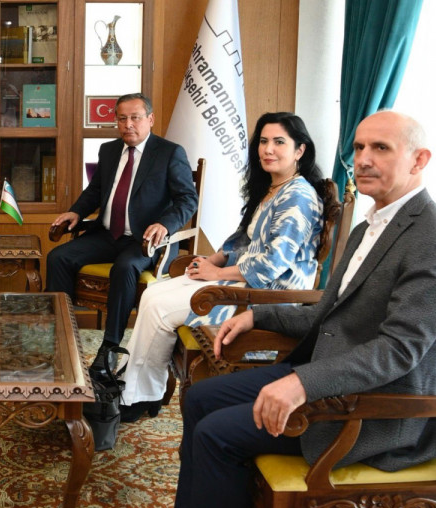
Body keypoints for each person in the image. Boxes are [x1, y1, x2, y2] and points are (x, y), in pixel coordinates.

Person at [171, 111, 436, 508]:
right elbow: (330, 313)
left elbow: (398, 351)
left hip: (377, 409)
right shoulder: (369, 226)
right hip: (330, 375)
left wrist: (302, 384)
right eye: (359, 147)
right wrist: (258, 314)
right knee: (201, 398)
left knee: (216, 433)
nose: (363, 159)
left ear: (419, 160)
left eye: (381, 148)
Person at [118, 112, 326, 422]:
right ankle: (137, 387)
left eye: (279, 142)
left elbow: (271, 264)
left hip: (269, 297)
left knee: (160, 308)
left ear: (300, 150)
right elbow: (248, 243)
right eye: (263, 141)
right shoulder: (275, 188)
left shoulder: (298, 197)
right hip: (246, 283)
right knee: (153, 292)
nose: (268, 149)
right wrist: (217, 259)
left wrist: (216, 274)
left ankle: (138, 396)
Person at [46, 93, 199, 365]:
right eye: (122, 118)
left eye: (135, 118)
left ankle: (109, 349)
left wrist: (164, 224)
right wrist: (76, 211)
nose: (128, 124)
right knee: (58, 257)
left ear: (150, 119)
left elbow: (187, 200)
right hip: (107, 234)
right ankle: (61, 337)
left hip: (146, 240)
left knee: (125, 267)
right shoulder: (109, 150)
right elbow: (95, 191)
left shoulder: (169, 153)